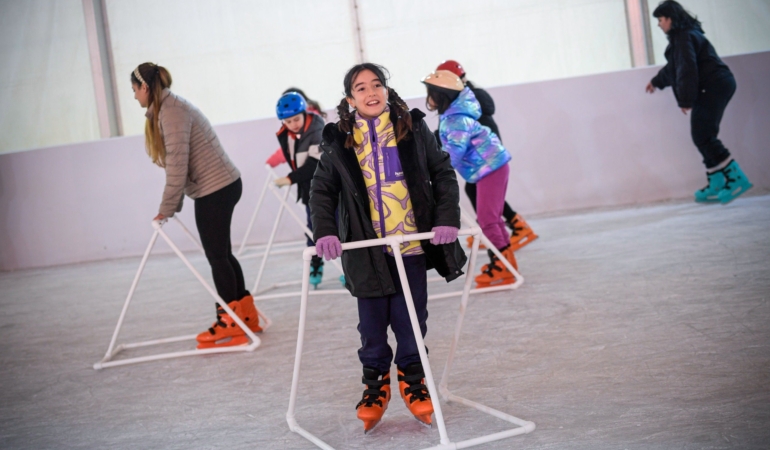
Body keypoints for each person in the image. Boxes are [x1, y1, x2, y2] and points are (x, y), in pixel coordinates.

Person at [309, 63, 466, 432]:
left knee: (411, 321)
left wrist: (446, 218)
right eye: (361, 88)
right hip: (365, 251)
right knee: (373, 326)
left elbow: (442, 172)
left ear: (386, 90)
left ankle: (413, 378)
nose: (370, 92)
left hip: (409, 245)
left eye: (376, 84)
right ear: (351, 99)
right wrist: (326, 231)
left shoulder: (410, 127)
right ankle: (375, 385)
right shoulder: (337, 139)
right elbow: (322, 190)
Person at [130, 62, 261, 350]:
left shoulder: (172, 112)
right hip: (220, 185)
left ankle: (232, 323)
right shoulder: (168, 107)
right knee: (222, 254)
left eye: (134, 90)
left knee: (217, 256)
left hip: (215, 189)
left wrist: (167, 207)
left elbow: (178, 163)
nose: (134, 97)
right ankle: (246, 316)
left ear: (145, 87)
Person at [646, 0, 752, 203]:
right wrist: (656, 81)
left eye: (660, 20)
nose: (659, 24)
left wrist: (686, 99)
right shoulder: (683, 37)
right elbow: (674, 68)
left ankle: (736, 178)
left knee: (703, 134)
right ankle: (717, 181)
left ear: (670, 18)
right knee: (701, 134)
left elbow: (687, 70)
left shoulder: (684, 37)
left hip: (713, 85)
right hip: (715, 85)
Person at [423, 69, 518, 288]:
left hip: (489, 167)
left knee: (487, 220)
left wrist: (434, 171)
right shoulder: (453, 115)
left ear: (441, 95)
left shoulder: (455, 119)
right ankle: (505, 262)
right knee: (492, 218)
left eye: (430, 93)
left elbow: (453, 152)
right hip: (491, 166)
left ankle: (503, 267)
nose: (428, 98)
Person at [435, 60, 537, 251]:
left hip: (483, 154)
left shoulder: (465, 97)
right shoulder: (467, 95)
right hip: (484, 151)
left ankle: (509, 229)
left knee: (483, 197)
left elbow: (458, 127)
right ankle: (510, 227)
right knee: (480, 194)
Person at [267, 91, 326, 287]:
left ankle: (349, 267)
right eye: (288, 121)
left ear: (305, 112)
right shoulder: (289, 134)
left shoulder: (317, 129)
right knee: (312, 228)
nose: (293, 124)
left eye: (296, 119)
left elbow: (315, 163)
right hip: (308, 188)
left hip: (328, 188)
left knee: (338, 227)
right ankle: (315, 264)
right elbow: (290, 156)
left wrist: (290, 178)